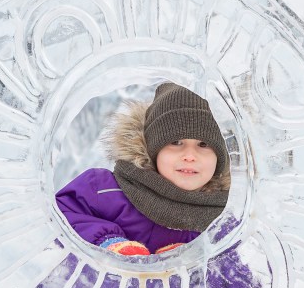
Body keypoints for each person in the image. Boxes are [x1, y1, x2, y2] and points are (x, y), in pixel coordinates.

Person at [55, 82, 231, 255]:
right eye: (176, 142)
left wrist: (190, 260)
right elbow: (60, 217)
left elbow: (243, 274)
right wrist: (106, 242)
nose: (190, 156)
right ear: (153, 148)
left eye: (203, 144)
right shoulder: (102, 188)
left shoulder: (227, 214)